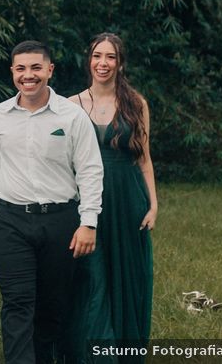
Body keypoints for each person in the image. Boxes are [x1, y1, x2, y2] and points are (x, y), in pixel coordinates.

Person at [0, 40, 103, 363]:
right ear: (12, 72)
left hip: (60, 221)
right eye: (21, 69)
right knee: (17, 303)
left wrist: (88, 222)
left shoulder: (72, 117)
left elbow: (91, 170)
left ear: (50, 70)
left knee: (52, 307)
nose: (29, 75)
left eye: (36, 68)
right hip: (10, 221)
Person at [64, 33, 157, 361]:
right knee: (92, 276)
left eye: (111, 57)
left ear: (120, 63)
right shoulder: (71, 105)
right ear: (89, 60)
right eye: (97, 56)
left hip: (126, 198)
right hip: (87, 202)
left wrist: (153, 204)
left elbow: (144, 158)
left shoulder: (136, 103)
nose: (103, 63)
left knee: (126, 276)